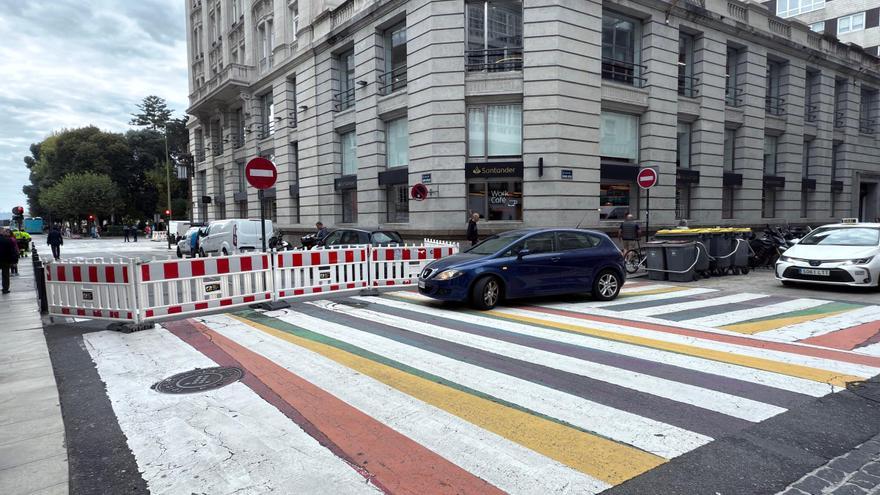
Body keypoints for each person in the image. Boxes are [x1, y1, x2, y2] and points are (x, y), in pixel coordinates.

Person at [0, 229, 19, 294]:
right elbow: (12, 251)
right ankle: (5, 289)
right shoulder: (8, 240)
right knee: (5, 275)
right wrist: (14, 261)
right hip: (5, 260)